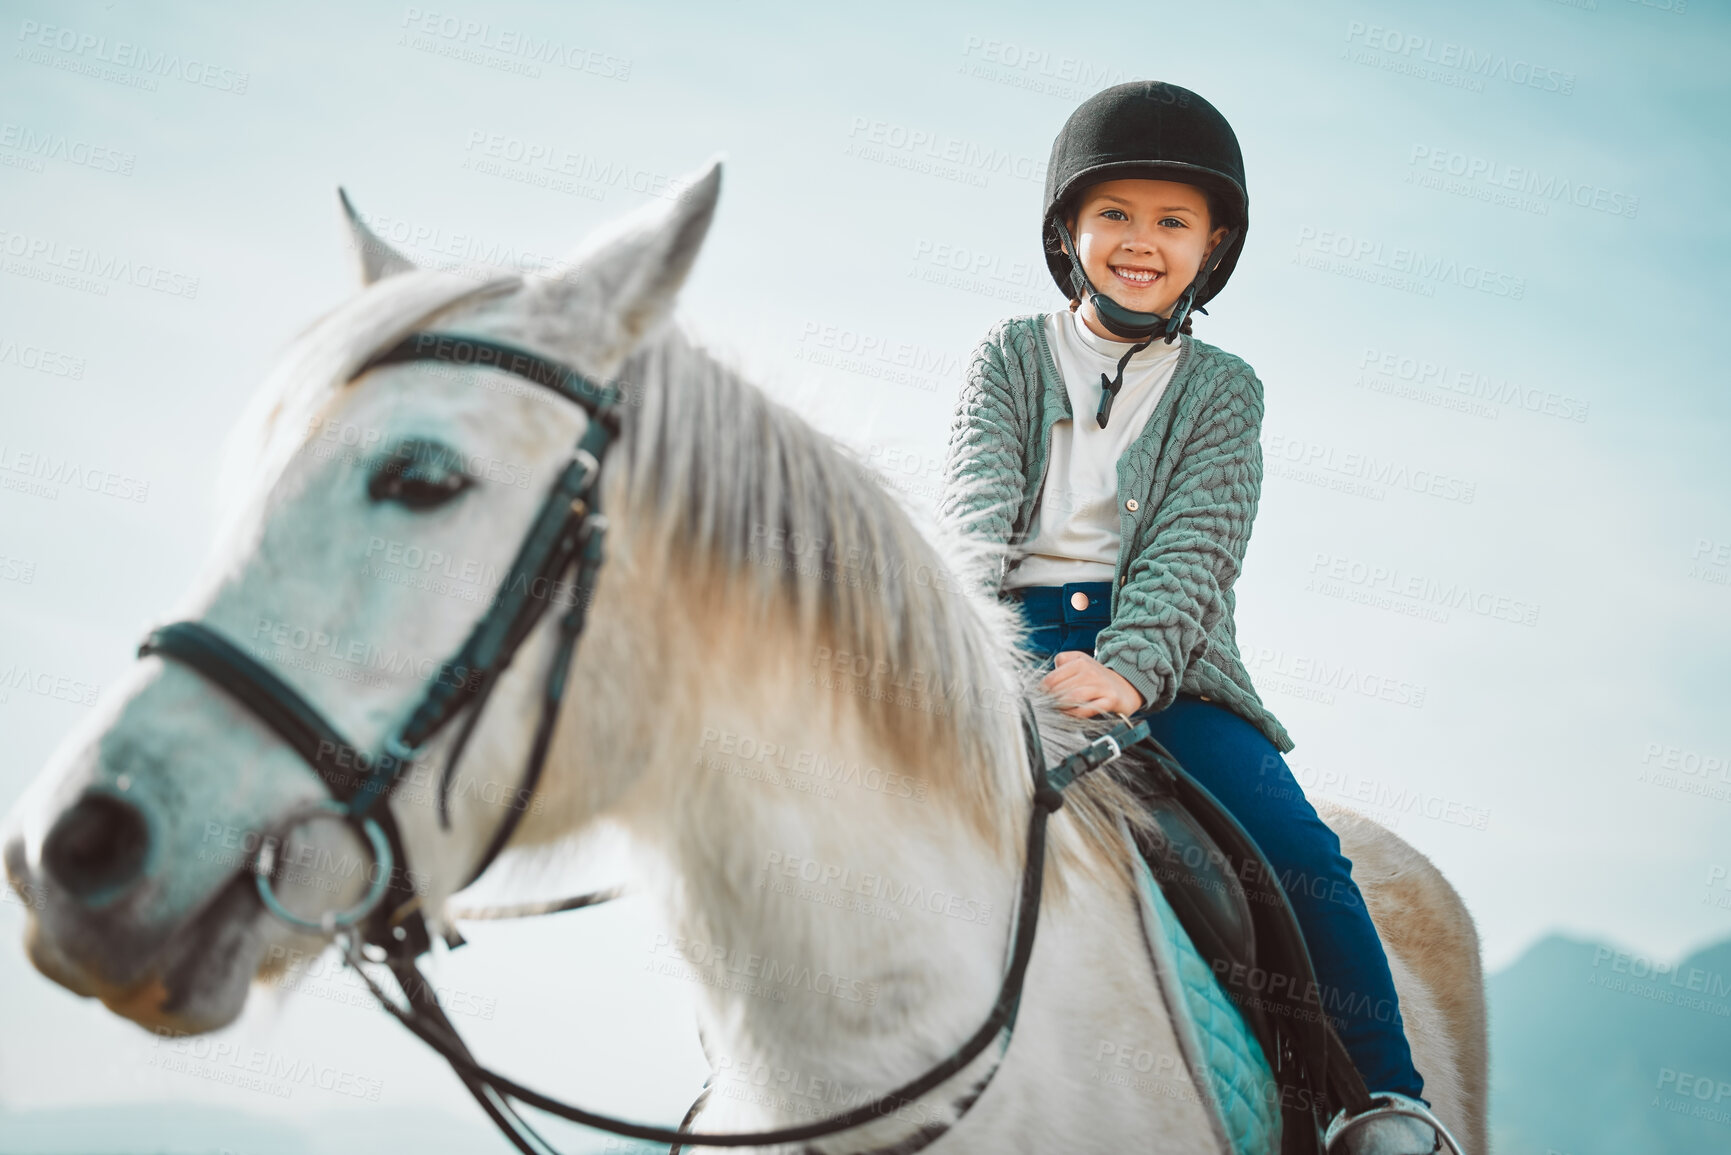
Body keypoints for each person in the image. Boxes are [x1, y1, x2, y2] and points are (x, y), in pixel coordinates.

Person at [938, 80, 1457, 1154]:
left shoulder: (1227, 391)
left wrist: (1125, 671)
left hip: (1167, 666)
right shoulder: (1007, 356)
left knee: (1298, 848)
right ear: (1067, 232)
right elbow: (974, 515)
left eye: (1173, 221)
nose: (1141, 241)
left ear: (1214, 246)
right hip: (1001, 649)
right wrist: (980, 651)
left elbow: (1194, 548)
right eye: (1115, 214)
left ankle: (1380, 1100)